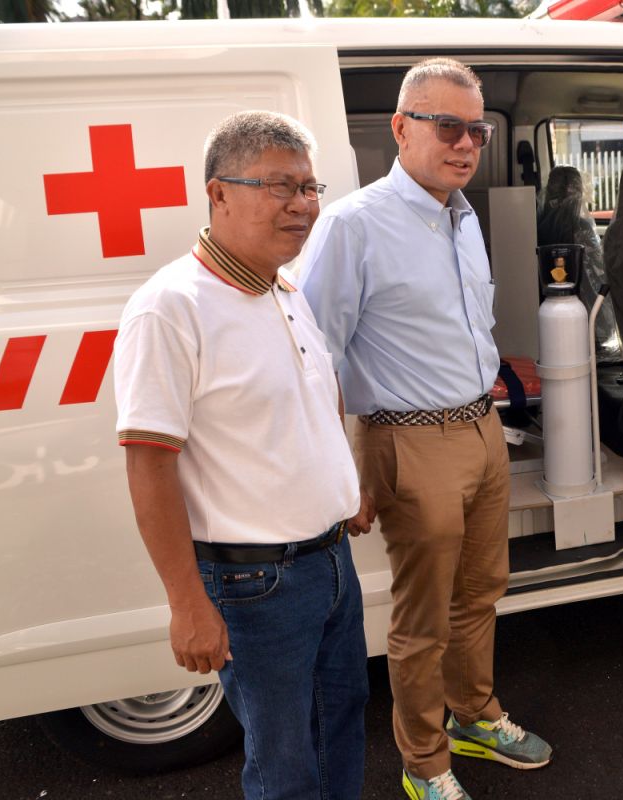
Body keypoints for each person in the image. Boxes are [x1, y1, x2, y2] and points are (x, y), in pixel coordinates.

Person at [300, 58, 552, 800]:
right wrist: (346, 472)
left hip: (481, 430)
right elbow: (314, 357)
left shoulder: (462, 216)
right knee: (423, 619)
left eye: (475, 129)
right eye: (448, 126)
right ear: (401, 128)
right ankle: (425, 765)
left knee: (480, 593)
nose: (466, 142)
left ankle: (474, 714)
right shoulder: (354, 225)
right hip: (407, 441)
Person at [114, 110, 374, 800]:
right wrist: (186, 604)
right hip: (257, 587)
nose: (304, 205)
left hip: (329, 563)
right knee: (287, 763)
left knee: (343, 726)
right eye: (280, 187)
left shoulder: (283, 289)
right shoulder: (169, 309)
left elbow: (314, 399)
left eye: (311, 187)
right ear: (218, 194)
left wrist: (344, 489)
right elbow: (149, 462)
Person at [537, 164, 621, 359]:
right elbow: (598, 280)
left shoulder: (536, 226)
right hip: (581, 323)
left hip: (546, 319)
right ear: (579, 193)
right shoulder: (582, 229)